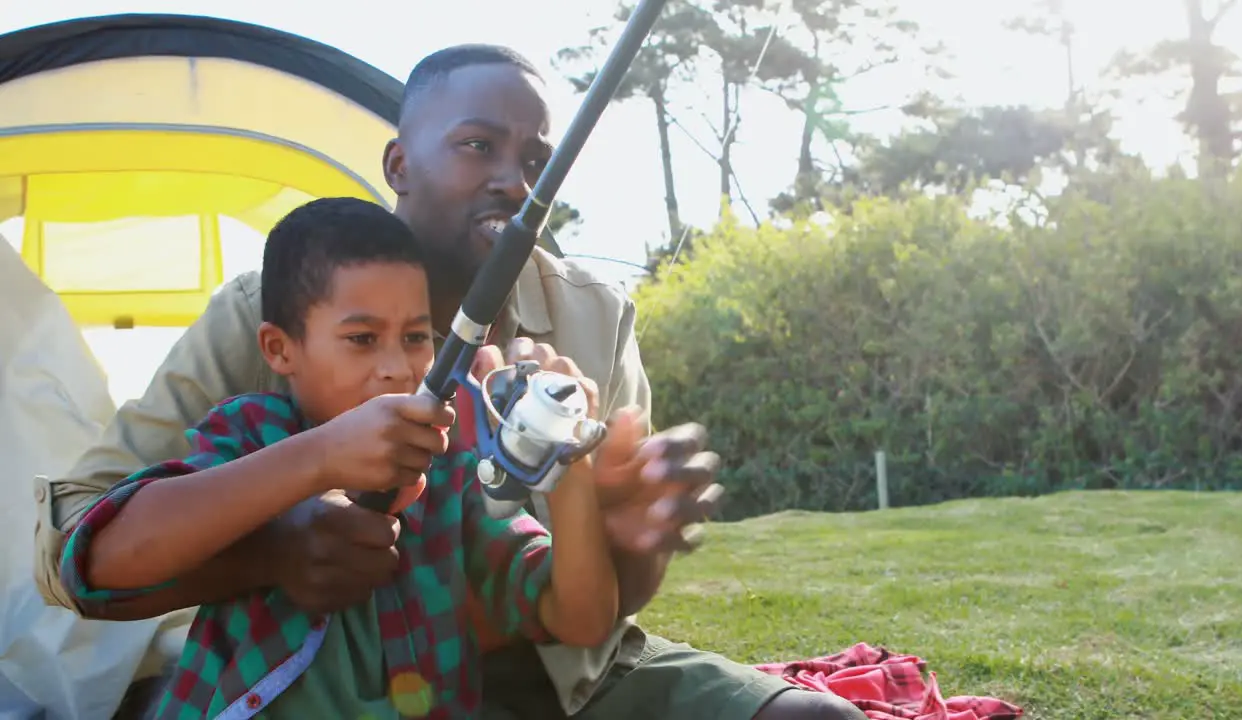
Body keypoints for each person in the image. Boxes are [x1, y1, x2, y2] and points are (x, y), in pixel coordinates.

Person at [33, 44, 864, 720]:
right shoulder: (266, 317)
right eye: (478, 146)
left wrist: (617, 523)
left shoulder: (592, 324)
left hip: (558, 681)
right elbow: (79, 553)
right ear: (399, 162)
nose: (514, 178)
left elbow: (589, 613)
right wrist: (276, 551)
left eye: (536, 158)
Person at [58, 196, 636, 718]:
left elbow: (580, 618)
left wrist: (569, 461)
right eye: (362, 339)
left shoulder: (454, 476)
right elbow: (101, 566)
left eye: (414, 338)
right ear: (280, 350)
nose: (396, 367)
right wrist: (321, 459)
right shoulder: (252, 434)